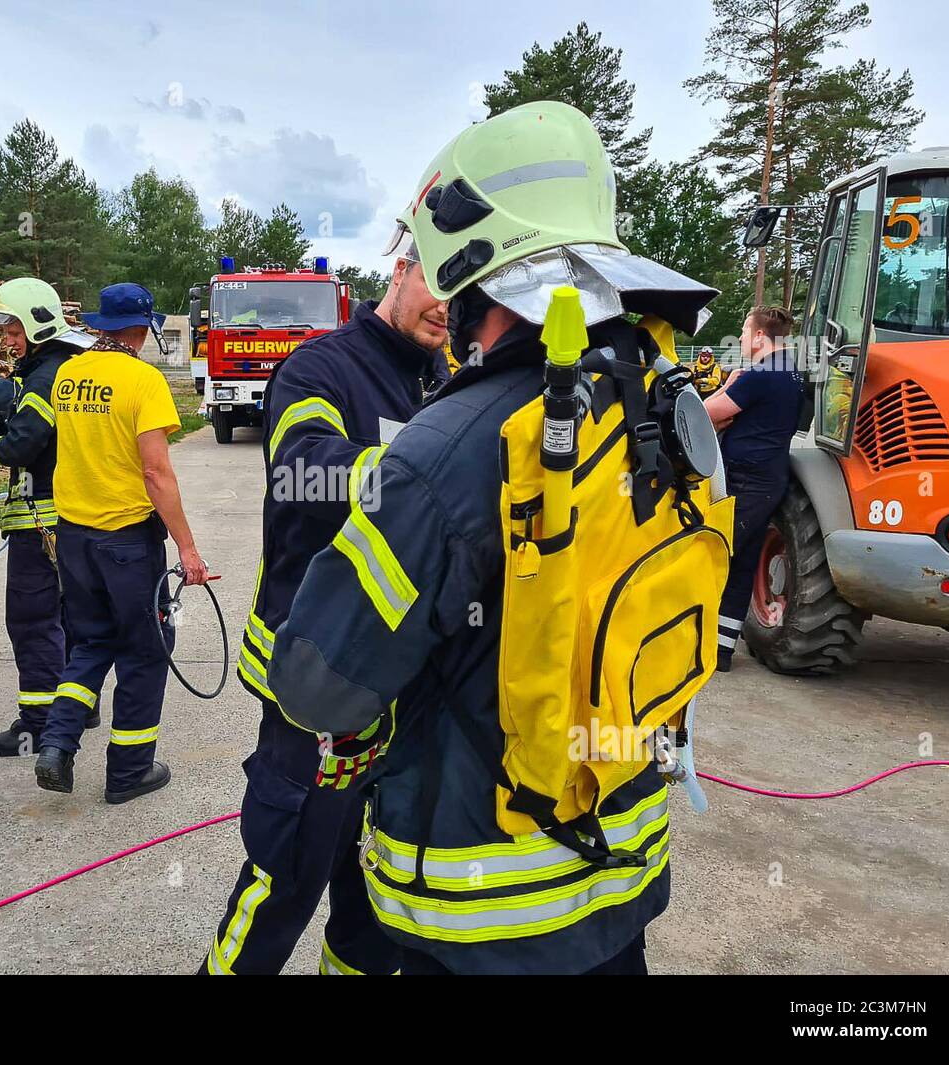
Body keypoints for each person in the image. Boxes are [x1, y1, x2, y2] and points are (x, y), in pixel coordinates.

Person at [264, 101, 720, 974]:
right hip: (618, 878)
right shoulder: (650, 407)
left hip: (479, 917)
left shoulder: (451, 448)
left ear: (471, 263)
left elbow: (318, 685)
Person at [202, 240, 448, 976]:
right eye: (437, 280)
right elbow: (302, 469)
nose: (448, 305)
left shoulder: (444, 378)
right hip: (318, 682)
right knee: (287, 876)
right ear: (399, 271)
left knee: (379, 890)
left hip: (405, 685)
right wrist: (426, 476)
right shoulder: (321, 367)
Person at [33, 283, 207, 802]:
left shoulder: (67, 374)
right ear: (140, 329)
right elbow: (156, 473)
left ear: (99, 325)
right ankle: (128, 772)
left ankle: (58, 742)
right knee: (146, 651)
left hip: (74, 535)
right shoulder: (142, 380)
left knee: (91, 641)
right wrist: (188, 549)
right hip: (127, 542)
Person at [0, 277, 98, 757]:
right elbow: (46, 432)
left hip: (41, 518)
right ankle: (79, 705)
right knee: (68, 612)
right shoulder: (65, 366)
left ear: (38, 323)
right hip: (71, 516)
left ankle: (37, 724)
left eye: (13, 329)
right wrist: (6, 419)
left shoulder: (40, 377)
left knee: (32, 619)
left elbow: (23, 447)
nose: (7, 340)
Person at [704, 306, 804, 670]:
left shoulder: (760, 374)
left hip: (747, 480)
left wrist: (728, 386)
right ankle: (721, 649)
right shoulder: (791, 372)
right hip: (767, 479)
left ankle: (700, 644)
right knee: (743, 563)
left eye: (745, 332)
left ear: (761, 336)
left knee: (715, 553)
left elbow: (705, 413)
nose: (743, 339)